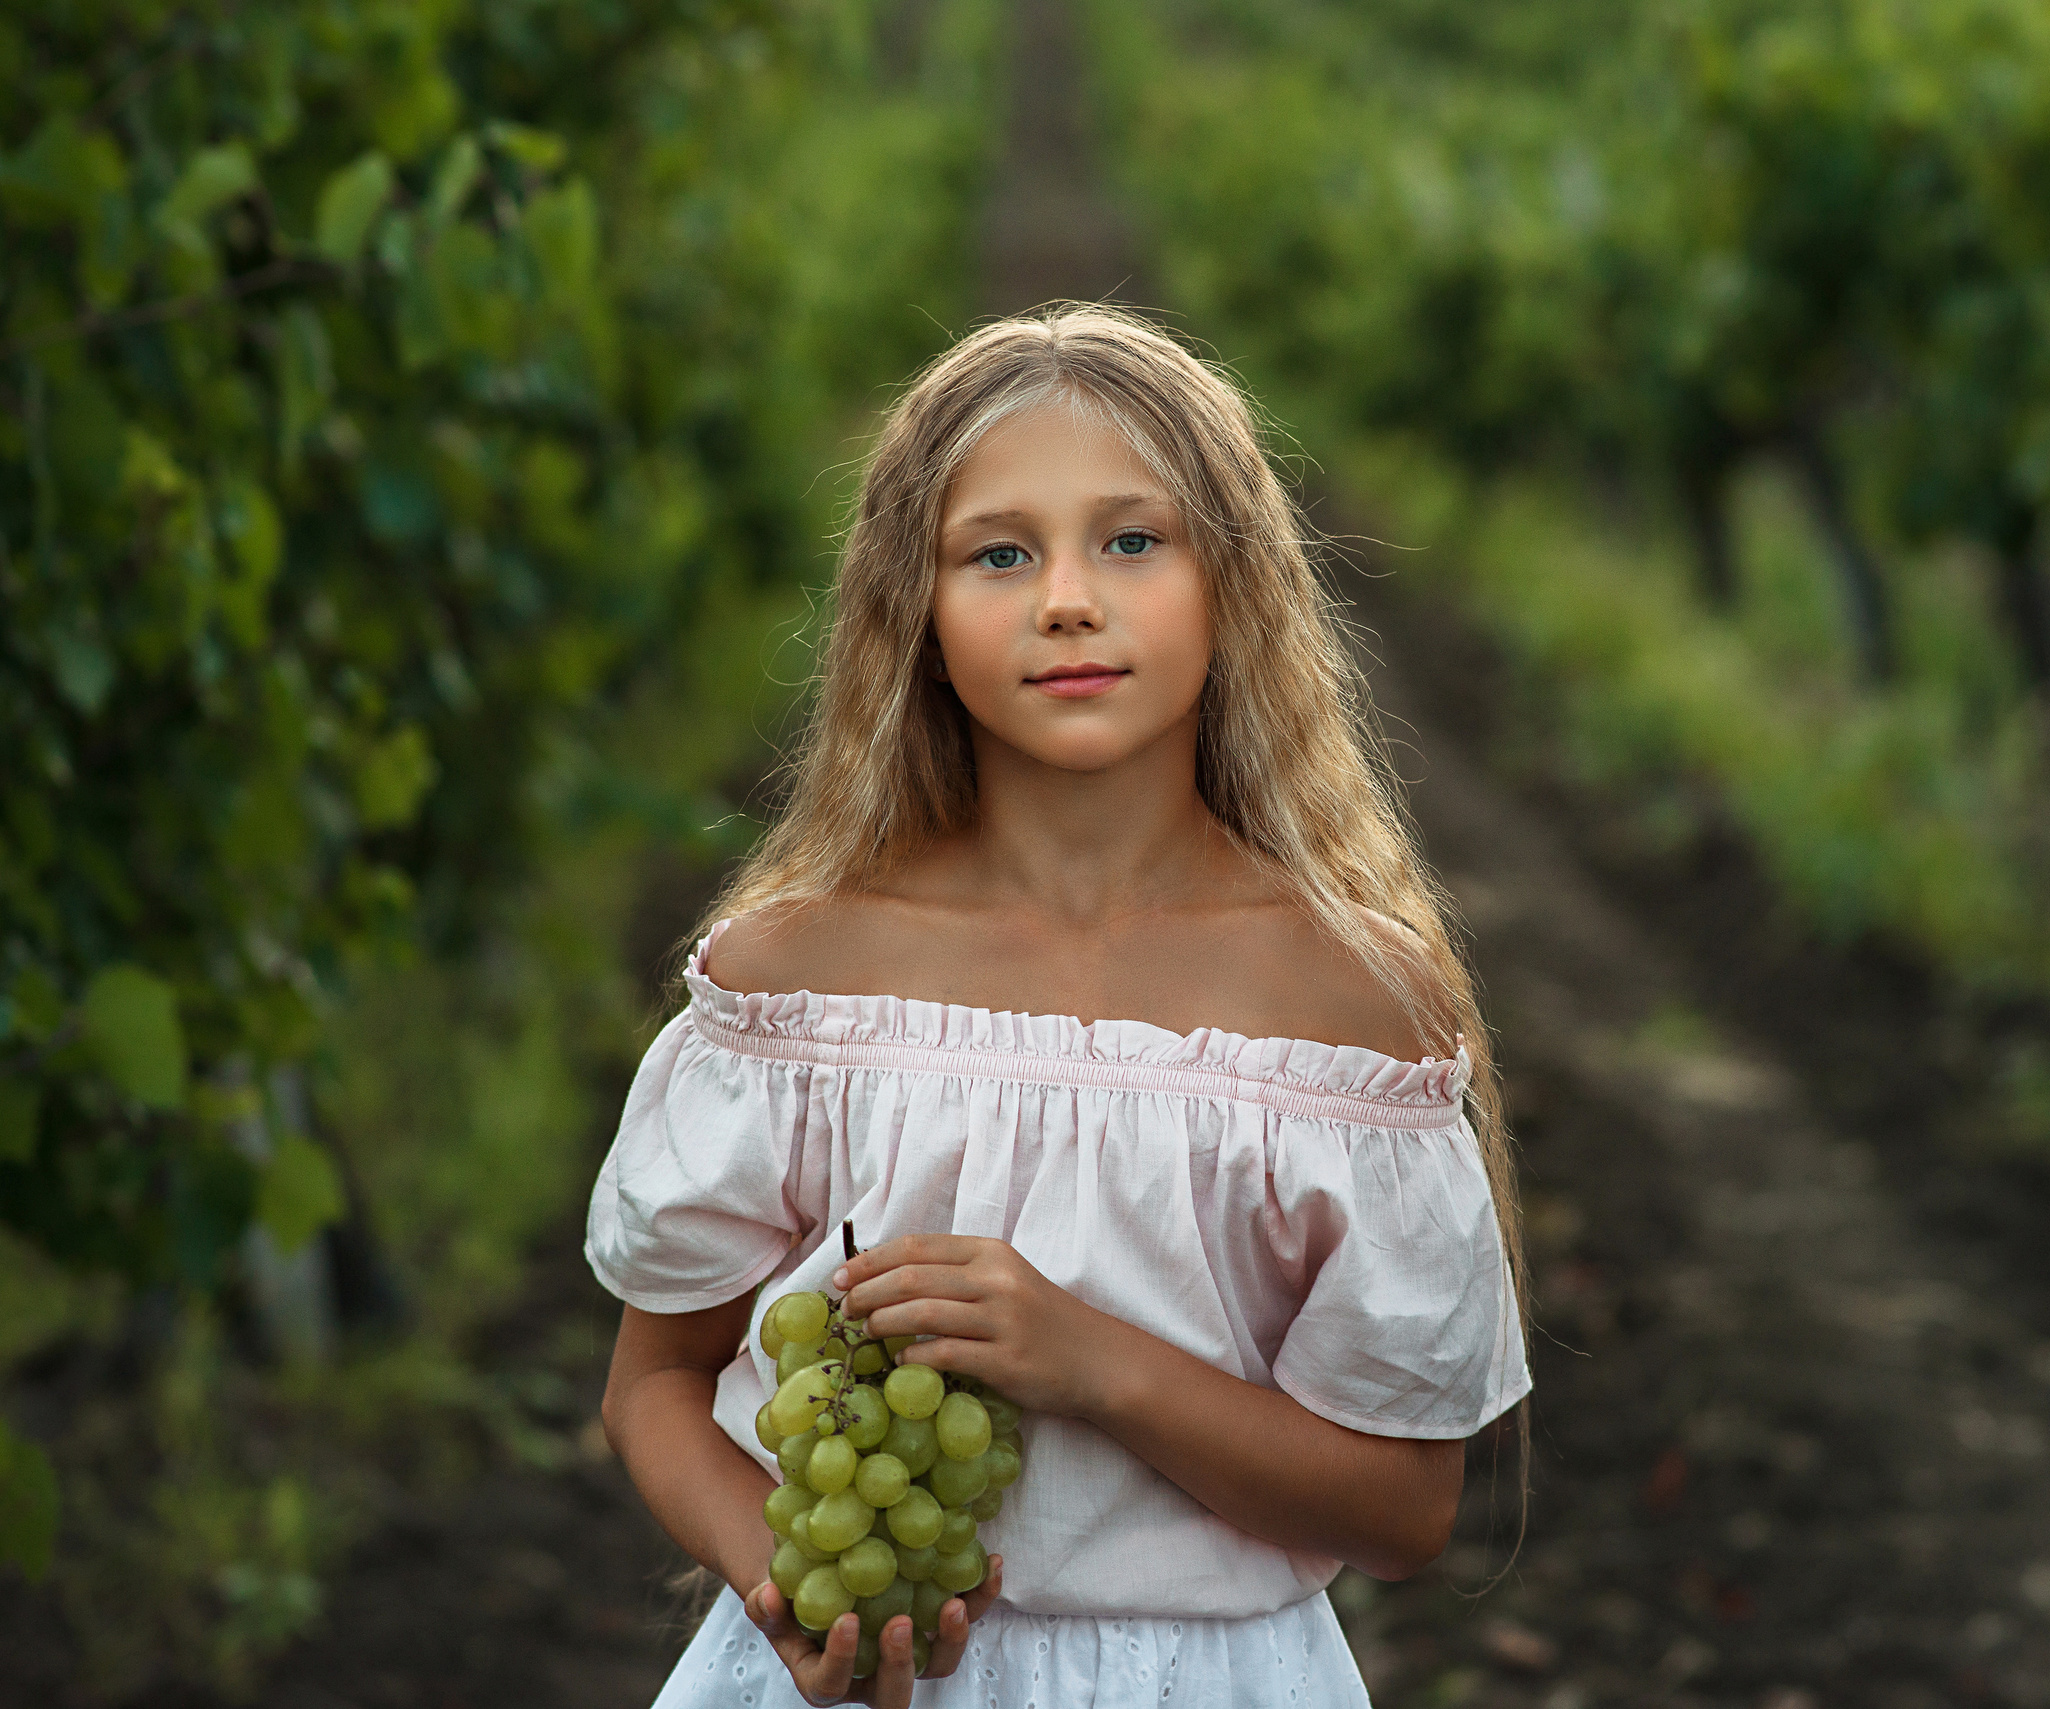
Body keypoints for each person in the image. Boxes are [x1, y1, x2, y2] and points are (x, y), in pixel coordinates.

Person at [586, 305, 1530, 1709]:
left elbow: (1403, 1506)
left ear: (1236, 585)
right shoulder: (797, 982)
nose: (1066, 599)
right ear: (914, 603)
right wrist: (783, 1587)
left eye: (1132, 540)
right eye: (999, 552)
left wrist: (1090, 1360)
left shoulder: (1347, 1001)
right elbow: (652, 1382)